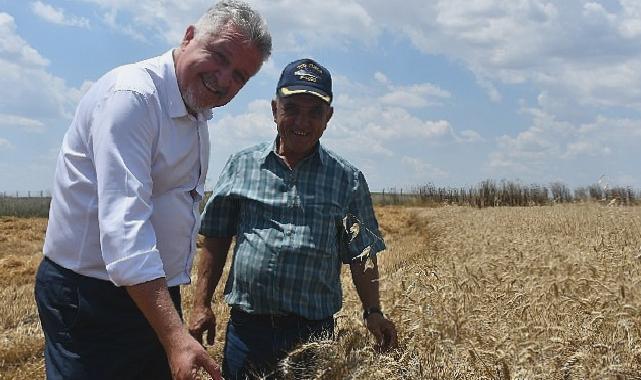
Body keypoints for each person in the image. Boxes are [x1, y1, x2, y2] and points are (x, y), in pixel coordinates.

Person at [34, 2, 271, 379]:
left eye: (240, 76)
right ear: (190, 36)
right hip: (92, 297)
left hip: (151, 291)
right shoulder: (133, 98)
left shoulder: (194, 110)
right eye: (219, 57)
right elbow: (125, 231)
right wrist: (176, 337)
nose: (224, 80)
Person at [189, 58, 398, 379]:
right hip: (249, 331)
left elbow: (362, 254)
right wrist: (201, 304)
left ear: (328, 117)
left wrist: (373, 311)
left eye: (315, 111)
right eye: (292, 109)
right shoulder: (242, 165)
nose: (303, 121)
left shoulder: (347, 179)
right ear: (275, 110)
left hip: (313, 336)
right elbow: (216, 238)